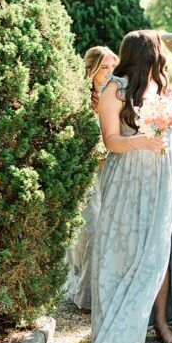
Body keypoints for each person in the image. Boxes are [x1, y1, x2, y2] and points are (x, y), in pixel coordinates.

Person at [88, 30, 172, 343]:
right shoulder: (115, 88)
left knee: (161, 248)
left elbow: (171, 136)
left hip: (165, 175)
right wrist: (138, 142)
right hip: (128, 178)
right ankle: (119, 325)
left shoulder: (162, 87)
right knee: (126, 248)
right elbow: (110, 140)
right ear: (146, 54)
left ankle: (160, 321)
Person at [68, 45, 117, 311]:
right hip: (87, 172)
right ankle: (86, 293)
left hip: (114, 170)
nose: (110, 72)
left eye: (113, 67)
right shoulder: (80, 100)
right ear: (92, 70)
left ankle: (102, 291)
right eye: (104, 67)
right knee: (91, 229)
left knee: (110, 231)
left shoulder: (118, 95)